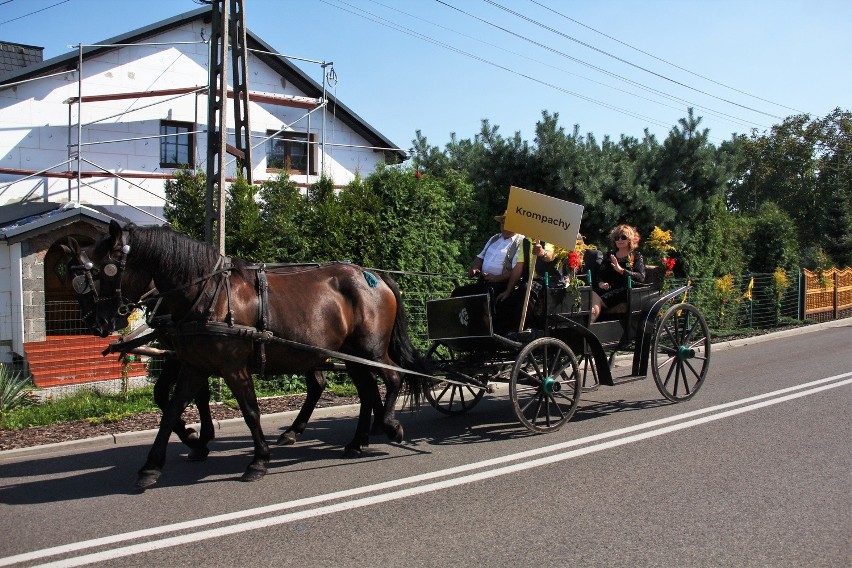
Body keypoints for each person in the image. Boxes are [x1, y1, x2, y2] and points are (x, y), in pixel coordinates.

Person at [453, 212, 527, 333]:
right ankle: (460, 328)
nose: (503, 225)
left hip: (501, 284)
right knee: (458, 293)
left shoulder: (520, 242)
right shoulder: (494, 238)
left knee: (486, 295)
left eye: (506, 222)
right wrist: (474, 268)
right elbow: (480, 257)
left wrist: (496, 278)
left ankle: (485, 329)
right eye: (502, 222)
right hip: (484, 281)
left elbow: (516, 270)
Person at [590, 224, 646, 323]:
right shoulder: (610, 255)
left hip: (626, 291)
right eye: (617, 238)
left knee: (595, 297)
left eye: (623, 237)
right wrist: (601, 283)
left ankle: (590, 323)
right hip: (608, 288)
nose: (619, 240)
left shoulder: (636, 256)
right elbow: (600, 274)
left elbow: (640, 277)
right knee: (591, 292)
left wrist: (621, 270)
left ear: (629, 239)